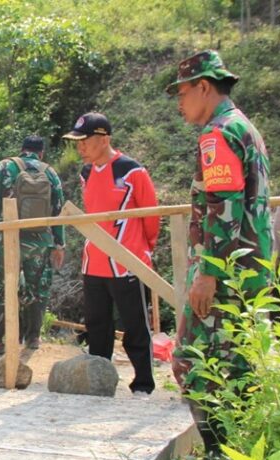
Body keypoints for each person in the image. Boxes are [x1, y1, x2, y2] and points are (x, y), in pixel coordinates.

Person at [166, 50, 272, 455]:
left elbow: (223, 207)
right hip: (250, 271)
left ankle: (221, 455)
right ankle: (247, 452)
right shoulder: (247, 129)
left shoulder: (218, 134)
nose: (179, 101)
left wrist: (208, 272)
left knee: (192, 362)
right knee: (239, 364)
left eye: (183, 92)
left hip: (226, 274)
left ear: (204, 87)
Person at [63, 112, 160, 397]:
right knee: (97, 325)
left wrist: (143, 250)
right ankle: (99, 379)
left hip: (127, 262)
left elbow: (151, 215)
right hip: (94, 261)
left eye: (84, 142)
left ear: (103, 139)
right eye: (76, 143)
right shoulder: (86, 173)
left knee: (135, 325)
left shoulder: (131, 171)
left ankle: (143, 383)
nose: (80, 148)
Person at [0, 135, 66, 352]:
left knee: (3, 287)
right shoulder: (50, 173)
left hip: (9, 239)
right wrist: (59, 244)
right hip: (40, 242)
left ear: (22, 150)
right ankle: (32, 339)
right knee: (38, 289)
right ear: (41, 152)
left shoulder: (5, 167)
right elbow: (58, 211)